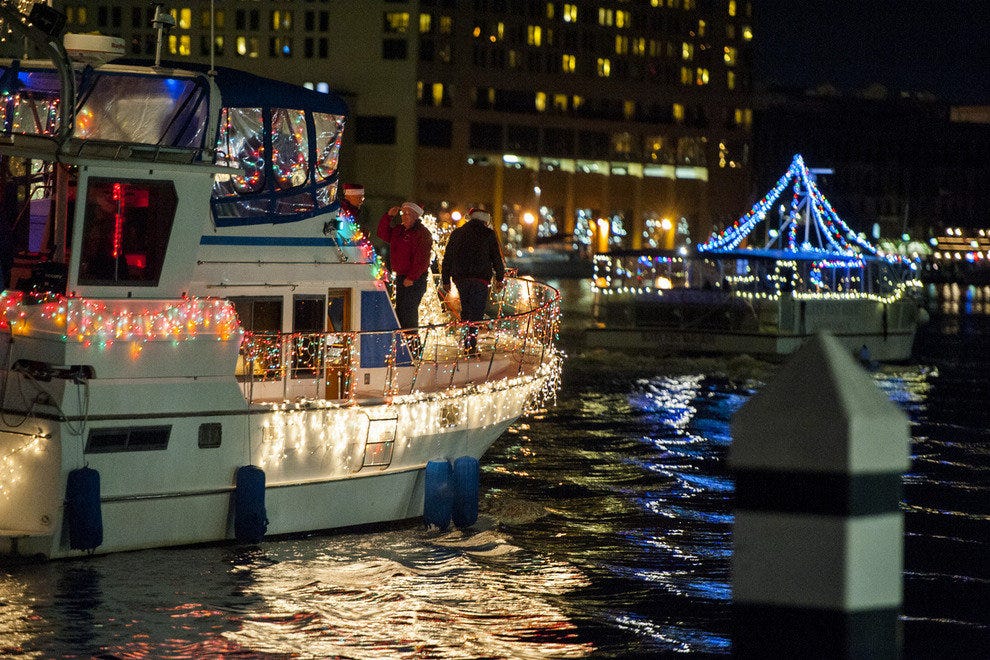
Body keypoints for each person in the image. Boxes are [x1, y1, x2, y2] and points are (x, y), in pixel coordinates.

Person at [441, 208, 506, 354]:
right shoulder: (488, 234)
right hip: (480, 279)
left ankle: (466, 341)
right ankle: (470, 346)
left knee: (466, 308)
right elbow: (496, 258)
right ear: (485, 221)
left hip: (460, 278)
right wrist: (500, 278)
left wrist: (446, 279)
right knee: (476, 312)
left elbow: (448, 257)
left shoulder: (457, 233)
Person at [377, 201, 433, 334]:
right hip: (402, 277)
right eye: (403, 213)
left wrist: (412, 277)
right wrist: (388, 217)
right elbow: (382, 234)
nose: (404, 216)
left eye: (408, 213)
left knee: (409, 313)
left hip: (413, 279)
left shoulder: (422, 233)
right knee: (401, 312)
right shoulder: (399, 230)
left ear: (415, 216)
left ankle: (412, 343)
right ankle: (404, 343)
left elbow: (422, 258)